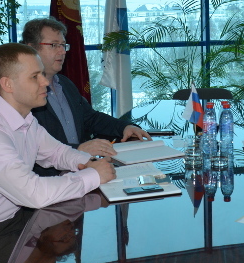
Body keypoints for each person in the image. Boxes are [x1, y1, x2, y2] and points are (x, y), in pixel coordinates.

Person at [0, 43, 116, 251]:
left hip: (10, 218)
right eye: (35, 76)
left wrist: (88, 163)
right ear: (8, 84)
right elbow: (34, 193)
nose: (45, 82)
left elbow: (57, 152)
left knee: (80, 242)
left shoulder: (25, 119)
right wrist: (93, 176)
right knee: (59, 260)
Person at [22, 17, 151, 176]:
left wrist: (124, 127)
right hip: (51, 180)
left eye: (63, 45)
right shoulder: (23, 96)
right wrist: (79, 150)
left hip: (84, 170)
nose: (62, 51)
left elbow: (90, 118)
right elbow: (31, 150)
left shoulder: (65, 84)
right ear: (31, 49)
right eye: (54, 45)